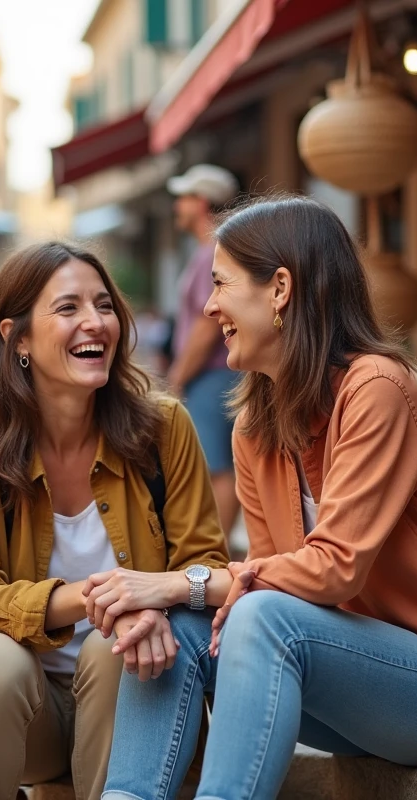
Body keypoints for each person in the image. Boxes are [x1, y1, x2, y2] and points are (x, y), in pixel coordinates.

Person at [102, 197, 417, 800]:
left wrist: (180, 581)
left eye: (222, 283)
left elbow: (331, 570)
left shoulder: (377, 389)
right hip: (358, 674)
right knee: (173, 628)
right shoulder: (254, 429)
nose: (208, 307)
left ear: (280, 288)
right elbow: (270, 580)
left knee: (230, 609)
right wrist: (177, 602)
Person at [0, 241, 230, 800]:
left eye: (104, 305)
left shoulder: (164, 429)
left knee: (114, 651)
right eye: (67, 309)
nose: (95, 322)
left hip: (137, 695)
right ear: (18, 339)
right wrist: (106, 596)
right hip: (23, 709)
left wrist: (152, 604)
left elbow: (206, 564)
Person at [164, 163, 242, 537]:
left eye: (183, 197)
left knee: (216, 469)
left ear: (201, 202)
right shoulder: (216, 250)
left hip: (210, 376)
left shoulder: (211, 252)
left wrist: (178, 377)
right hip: (218, 374)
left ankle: (219, 560)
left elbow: (206, 323)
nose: (177, 205)